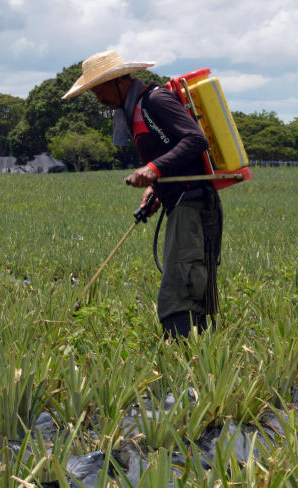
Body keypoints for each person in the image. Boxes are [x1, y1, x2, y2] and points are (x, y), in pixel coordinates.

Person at [62, 50, 222, 339]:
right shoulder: (134, 110)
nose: (99, 99)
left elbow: (195, 140)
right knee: (183, 284)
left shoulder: (155, 100)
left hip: (193, 204)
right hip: (179, 202)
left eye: (99, 90)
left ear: (119, 81)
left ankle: (186, 361)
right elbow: (170, 152)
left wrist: (153, 168)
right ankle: (196, 357)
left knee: (178, 291)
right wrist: (154, 189)